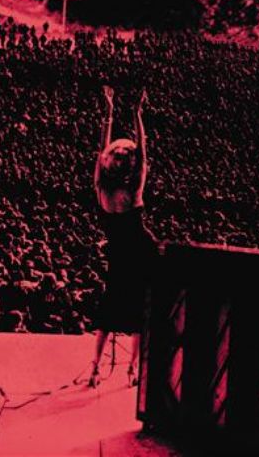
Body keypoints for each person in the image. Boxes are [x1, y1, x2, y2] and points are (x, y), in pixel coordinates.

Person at [89, 85, 157, 387]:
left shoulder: (102, 189)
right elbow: (143, 154)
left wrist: (110, 112)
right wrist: (137, 115)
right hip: (140, 253)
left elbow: (102, 150)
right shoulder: (133, 189)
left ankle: (95, 368)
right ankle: (133, 369)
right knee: (140, 314)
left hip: (117, 254)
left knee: (109, 313)